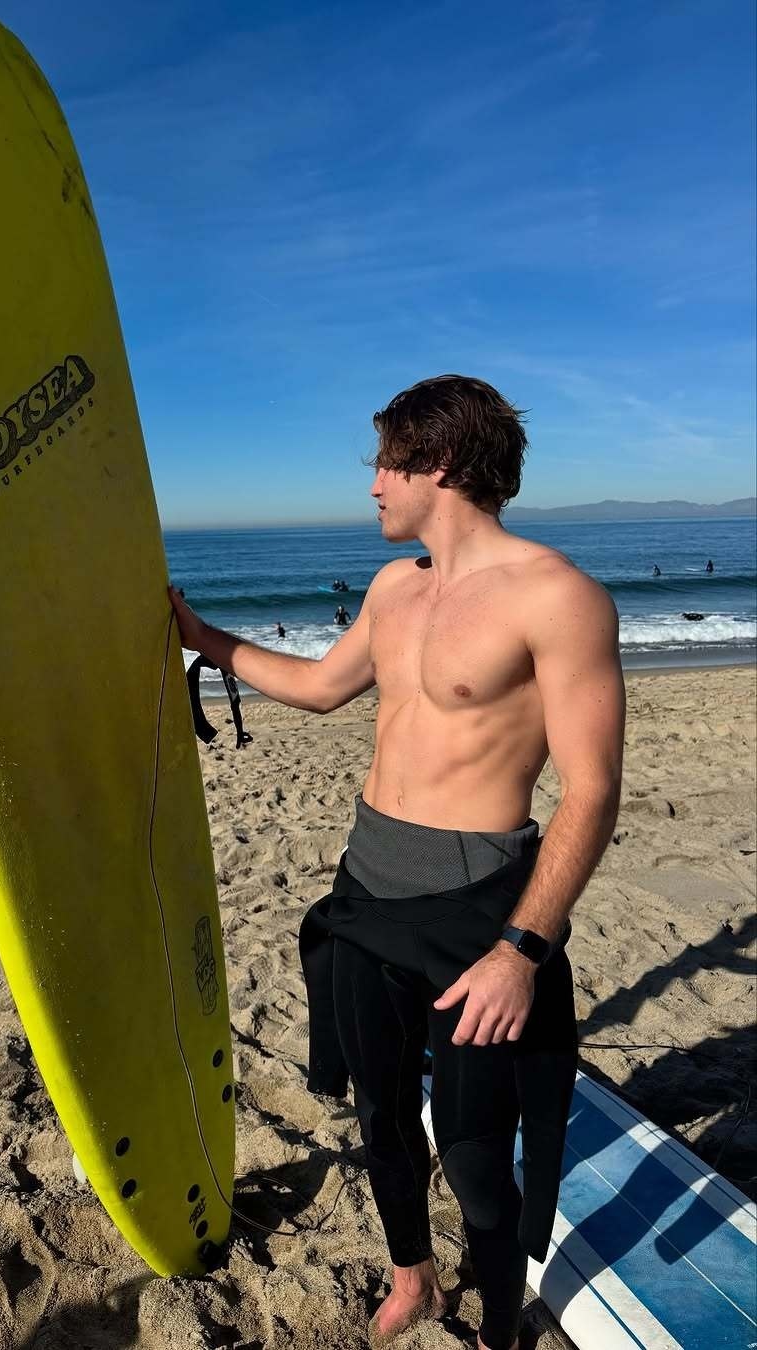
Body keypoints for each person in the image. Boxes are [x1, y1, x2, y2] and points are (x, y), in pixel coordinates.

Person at [168, 374, 625, 1350]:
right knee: (381, 1115)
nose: (374, 483)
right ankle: (413, 1277)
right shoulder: (393, 588)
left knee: (473, 1155)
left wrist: (521, 952)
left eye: (385, 463)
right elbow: (320, 687)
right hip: (367, 885)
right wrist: (207, 640)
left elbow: (591, 793)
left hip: (476, 908)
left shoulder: (559, 598)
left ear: (440, 463)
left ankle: (498, 1325)